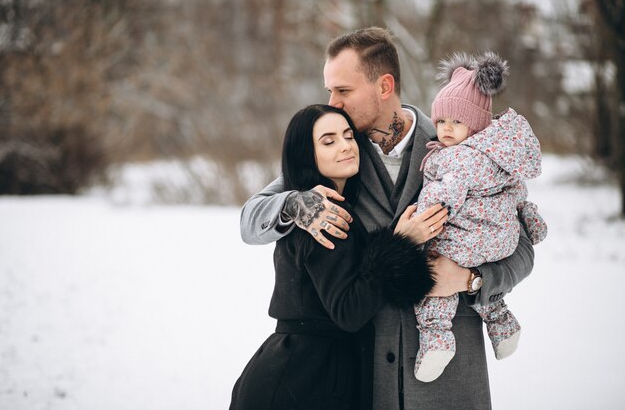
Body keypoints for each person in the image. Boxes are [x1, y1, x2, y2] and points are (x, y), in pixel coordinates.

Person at [240, 27, 535, 409]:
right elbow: (250, 219)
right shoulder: (338, 155)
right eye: (329, 90)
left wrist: (472, 278)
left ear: (384, 86)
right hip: (366, 376)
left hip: (451, 373)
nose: (332, 102)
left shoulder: (459, 143)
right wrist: (295, 204)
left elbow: (522, 245)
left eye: (342, 91)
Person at [229, 104, 435, 410]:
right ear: (306, 155)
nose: (346, 147)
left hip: (303, 371)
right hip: (305, 380)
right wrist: (401, 243)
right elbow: (349, 311)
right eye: (329, 141)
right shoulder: (323, 215)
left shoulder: (330, 203)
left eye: (348, 136)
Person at [411, 52, 548, 383]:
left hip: (468, 238)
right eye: (441, 121)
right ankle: (502, 324)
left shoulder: (458, 160)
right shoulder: (497, 154)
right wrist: (530, 218)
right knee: (482, 287)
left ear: (476, 125)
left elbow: (442, 199)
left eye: (456, 123)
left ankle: (436, 339)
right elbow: (518, 193)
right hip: (501, 238)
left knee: (435, 274)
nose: (444, 130)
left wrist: (420, 224)